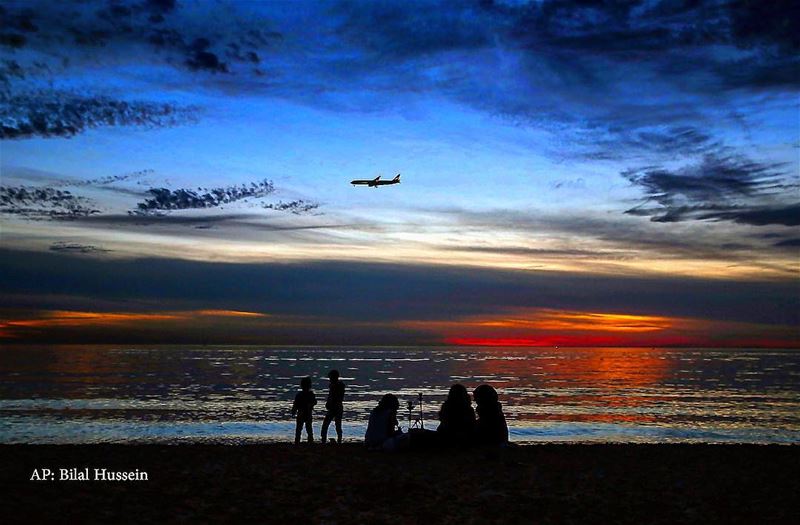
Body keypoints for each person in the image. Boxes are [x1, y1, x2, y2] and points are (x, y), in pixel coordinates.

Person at [320, 369, 345, 444]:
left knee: (328, 424)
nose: (330, 379)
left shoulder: (336, 386)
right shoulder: (338, 385)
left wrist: (329, 403)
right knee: (336, 424)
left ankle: (325, 440)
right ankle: (338, 439)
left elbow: (333, 397)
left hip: (335, 407)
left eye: (330, 378)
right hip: (336, 407)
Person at [291, 376, 316, 444]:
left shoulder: (299, 394)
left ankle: (297, 441)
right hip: (307, 414)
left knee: (299, 429)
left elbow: (295, 404)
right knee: (309, 429)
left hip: (301, 414)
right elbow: (314, 402)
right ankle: (310, 441)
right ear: (310, 385)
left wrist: (293, 411)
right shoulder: (311, 394)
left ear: (301, 385)